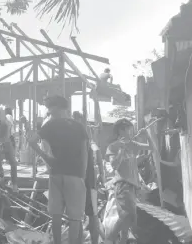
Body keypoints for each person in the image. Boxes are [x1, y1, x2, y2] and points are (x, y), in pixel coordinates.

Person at [29, 95, 89, 244]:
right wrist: (84, 173)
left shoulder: (50, 125)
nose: (50, 111)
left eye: (51, 108)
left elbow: (31, 141)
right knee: (75, 217)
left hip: (55, 173)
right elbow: (85, 151)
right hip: (75, 174)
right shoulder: (78, 126)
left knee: (56, 215)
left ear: (57, 108)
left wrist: (47, 159)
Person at [104, 118, 152, 244]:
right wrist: (121, 149)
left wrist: (147, 135)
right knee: (128, 216)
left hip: (132, 186)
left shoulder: (132, 145)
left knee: (126, 221)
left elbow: (151, 147)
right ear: (121, 130)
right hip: (122, 185)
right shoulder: (113, 147)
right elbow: (114, 165)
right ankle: (108, 240)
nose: (131, 132)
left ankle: (122, 241)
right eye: (129, 130)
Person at [72, 111, 100, 244]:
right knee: (84, 216)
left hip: (87, 183)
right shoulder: (83, 139)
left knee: (90, 215)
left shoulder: (85, 140)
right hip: (83, 182)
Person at [0, 107, 18, 192]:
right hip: (0, 142)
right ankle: (1, 176)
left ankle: (14, 184)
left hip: (7, 142)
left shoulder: (7, 123)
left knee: (13, 163)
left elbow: (5, 137)